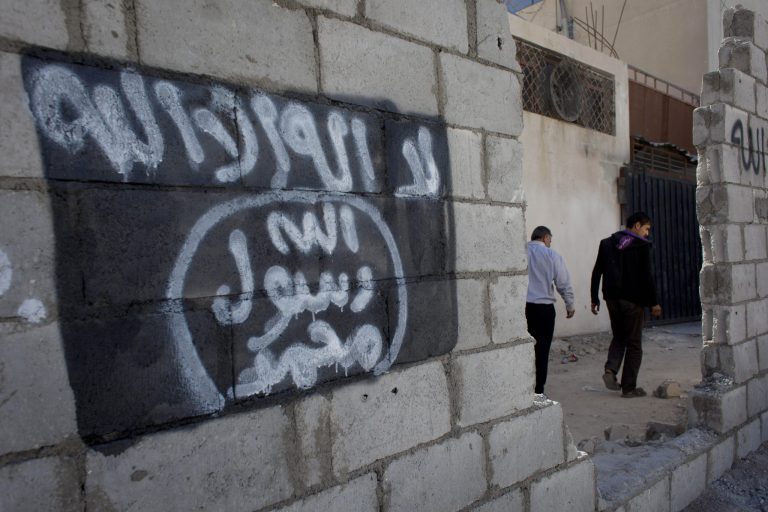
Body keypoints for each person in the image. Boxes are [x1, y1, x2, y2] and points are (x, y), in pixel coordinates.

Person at [590, 211, 662, 398]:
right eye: (646, 228)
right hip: (633, 301)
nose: (647, 233)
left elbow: (597, 271)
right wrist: (654, 303)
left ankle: (610, 370)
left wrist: (594, 298)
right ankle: (629, 388)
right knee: (634, 344)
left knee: (619, 336)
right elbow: (648, 277)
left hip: (611, 299)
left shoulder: (606, 243)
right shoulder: (642, 246)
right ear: (636, 226)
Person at [526, 226, 575, 396]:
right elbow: (563, 282)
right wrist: (570, 304)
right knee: (542, 350)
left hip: (522, 309)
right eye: (550, 240)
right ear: (545, 237)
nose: (550, 243)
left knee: (522, 350)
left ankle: (521, 389)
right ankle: (538, 391)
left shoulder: (520, 253)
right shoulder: (552, 255)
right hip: (544, 310)